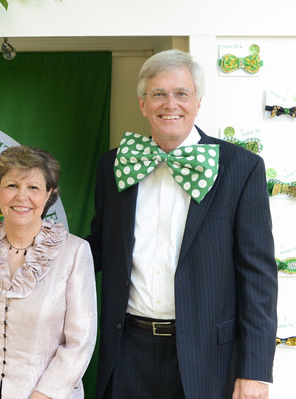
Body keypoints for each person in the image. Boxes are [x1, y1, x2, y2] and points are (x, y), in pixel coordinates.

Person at [87, 49, 278, 399]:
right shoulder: (111, 165)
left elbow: (258, 277)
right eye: (158, 93)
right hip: (126, 349)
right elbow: (97, 249)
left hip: (209, 356)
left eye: (181, 93)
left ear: (198, 101)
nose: (169, 103)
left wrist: (255, 370)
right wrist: (36, 253)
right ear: (143, 104)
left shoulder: (242, 168)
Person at [0, 146, 97, 399]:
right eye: (12, 186)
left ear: (49, 194)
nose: (21, 197)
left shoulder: (75, 252)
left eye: (33, 187)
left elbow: (79, 343)